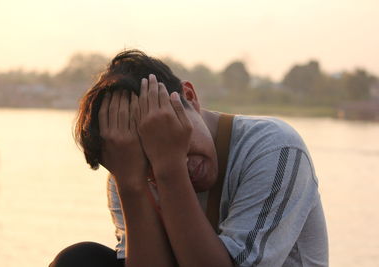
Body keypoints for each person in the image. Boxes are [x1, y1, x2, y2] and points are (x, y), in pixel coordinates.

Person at [50, 50, 328, 267]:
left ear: (190, 97)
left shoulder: (273, 147)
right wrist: (131, 186)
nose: (175, 157)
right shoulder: (130, 171)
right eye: (149, 157)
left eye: (171, 136)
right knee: (79, 261)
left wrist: (169, 168)